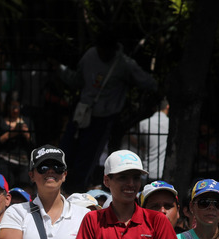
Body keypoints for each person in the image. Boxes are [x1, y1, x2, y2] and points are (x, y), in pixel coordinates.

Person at [60, 32, 158, 192]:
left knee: (89, 157)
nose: (103, 54)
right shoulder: (90, 56)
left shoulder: (124, 64)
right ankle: (66, 184)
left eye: (106, 50)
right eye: (101, 50)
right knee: (67, 150)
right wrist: (60, 70)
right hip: (82, 115)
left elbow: (149, 83)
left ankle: (77, 188)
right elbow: (76, 81)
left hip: (104, 119)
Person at [131, 100, 170, 180]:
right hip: (164, 170)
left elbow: (141, 144)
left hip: (148, 170)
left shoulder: (144, 123)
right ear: (167, 107)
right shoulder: (170, 123)